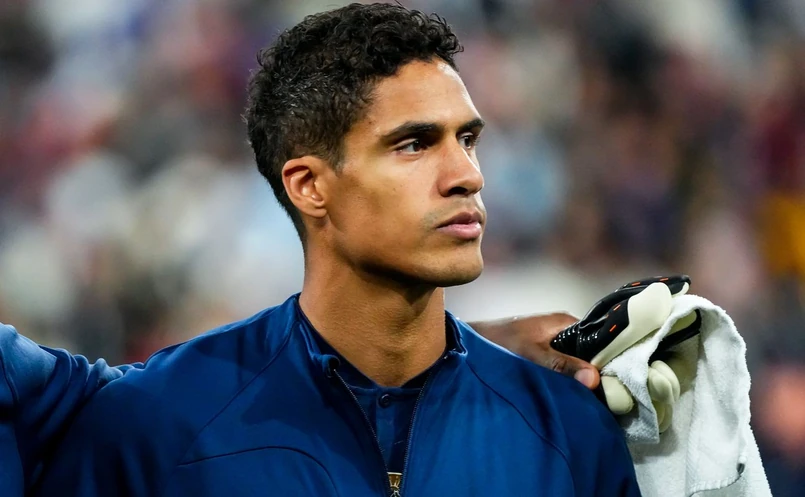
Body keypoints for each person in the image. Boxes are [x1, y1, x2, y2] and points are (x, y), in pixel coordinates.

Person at [31, 4, 641, 496]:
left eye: (468, 139)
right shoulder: (158, 426)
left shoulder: (569, 426)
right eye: (414, 144)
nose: (468, 175)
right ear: (309, 186)